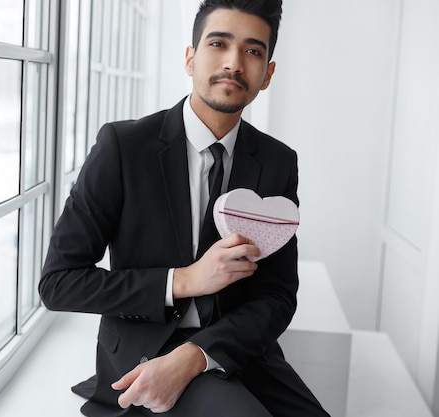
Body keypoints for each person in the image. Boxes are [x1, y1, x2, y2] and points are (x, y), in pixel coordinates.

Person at [39, 0, 330, 416]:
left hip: (237, 348)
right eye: (218, 43)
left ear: (267, 74)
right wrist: (183, 281)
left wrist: (197, 354)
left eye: (252, 51)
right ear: (190, 58)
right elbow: (59, 283)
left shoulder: (278, 162)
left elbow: (278, 295)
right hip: (145, 350)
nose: (233, 63)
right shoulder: (123, 148)